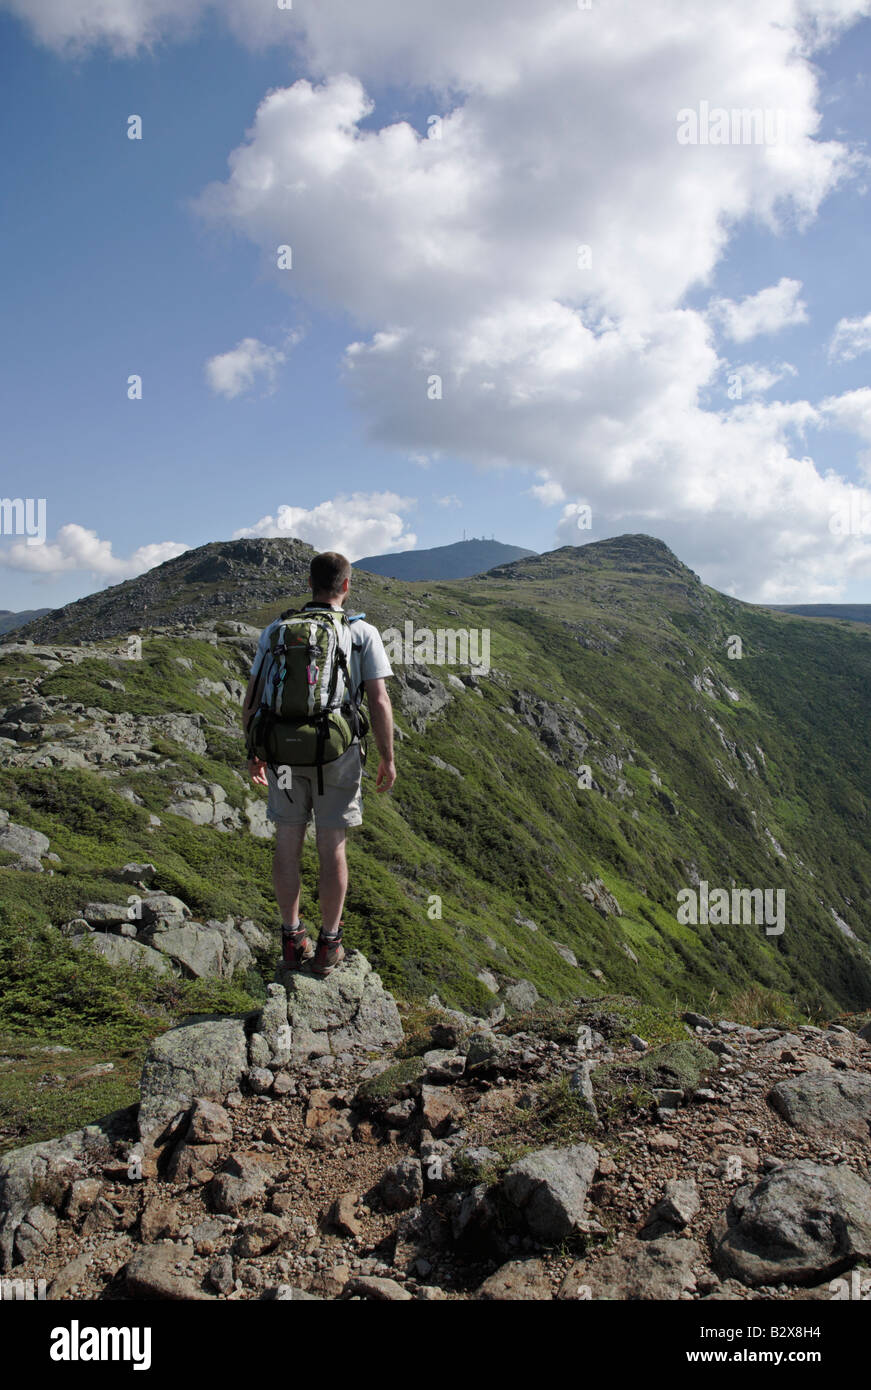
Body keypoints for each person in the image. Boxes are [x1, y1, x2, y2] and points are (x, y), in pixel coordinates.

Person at [242, 551, 396, 978]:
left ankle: (291, 939)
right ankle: (330, 944)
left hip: (283, 754)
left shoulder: (276, 630)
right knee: (332, 844)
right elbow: (379, 700)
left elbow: (253, 698)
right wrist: (387, 756)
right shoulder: (361, 631)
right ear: (346, 586)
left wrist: (254, 750)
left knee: (287, 840)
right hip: (336, 753)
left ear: (309, 584)